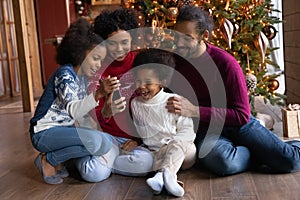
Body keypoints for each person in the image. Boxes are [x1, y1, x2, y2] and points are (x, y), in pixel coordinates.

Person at [166, 5, 300, 176]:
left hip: (237, 124)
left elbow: (242, 116)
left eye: (187, 38)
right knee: (223, 163)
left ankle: (272, 148)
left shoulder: (226, 63)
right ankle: (261, 153)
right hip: (207, 130)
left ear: (204, 36)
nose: (180, 43)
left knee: (290, 161)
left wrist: (194, 110)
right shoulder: (173, 62)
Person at [29, 18, 113, 185]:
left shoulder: (81, 78)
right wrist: (98, 93)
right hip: (43, 133)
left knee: (103, 141)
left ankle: (60, 159)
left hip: (62, 131)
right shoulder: (65, 74)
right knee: (99, 141)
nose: (98, 65)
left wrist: (106, 99)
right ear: (81, 52)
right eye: (95, 58)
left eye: (101, 61)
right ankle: (49, 159)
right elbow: (74, 110)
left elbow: (80, 117)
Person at [75, 7, 153, 182]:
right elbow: (86, 115)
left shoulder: (141, 62)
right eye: (112, 43)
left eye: (124, 42)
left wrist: (139, 140)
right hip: (104, 137)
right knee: (92, 174)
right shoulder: (96, 66)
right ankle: (97, 160)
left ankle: (108, 163)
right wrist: (106, 113)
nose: (119, 49)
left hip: (135, 141)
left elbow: (154, 103)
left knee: (148, 164)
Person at [130, 49, 196, 197]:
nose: (142, 86)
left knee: (189, 148)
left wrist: (172, 144)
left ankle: (162, 176)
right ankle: (165, 178)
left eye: (148, 82)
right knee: (141, 159)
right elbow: (143, 132)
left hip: (181, 151)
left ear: (162, 82)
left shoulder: (174, 100)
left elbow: (188, 132)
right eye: (138, 81)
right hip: (154, 153)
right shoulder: (135, 104)